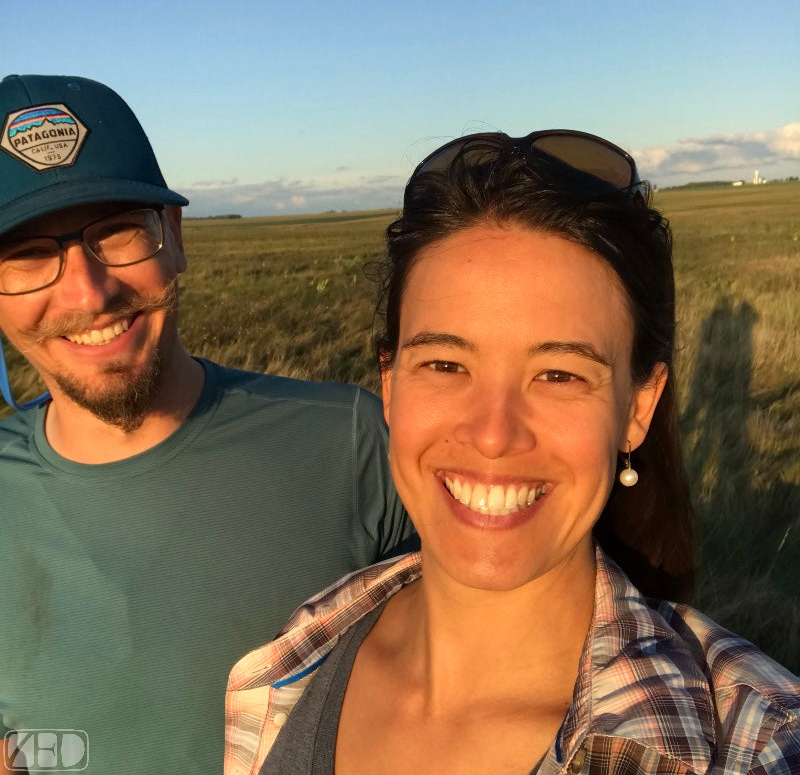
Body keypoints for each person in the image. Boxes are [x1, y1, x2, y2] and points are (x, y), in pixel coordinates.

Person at [225, 130, 800, 774]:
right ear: (389, 385)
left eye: (559, 374)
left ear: (639, 408)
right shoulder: (297, 655)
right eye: (444, 363)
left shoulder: (759, 745)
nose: (493, 433)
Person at [0, 74, 415, 775]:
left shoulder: (351, 442)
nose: (88, 291)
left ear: (175, 237)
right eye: (25, 255)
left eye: (119, 231)